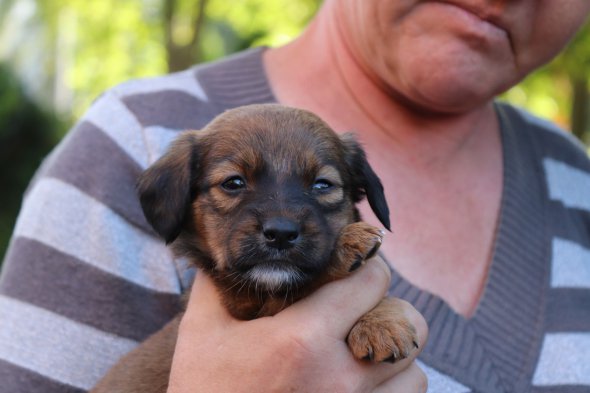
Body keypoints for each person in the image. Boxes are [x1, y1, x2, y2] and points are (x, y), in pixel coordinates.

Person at [1, 0, 589, 391]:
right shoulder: (127, 143)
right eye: (234, 185)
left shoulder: (577, 180)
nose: (281, 222)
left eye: (323, 188)